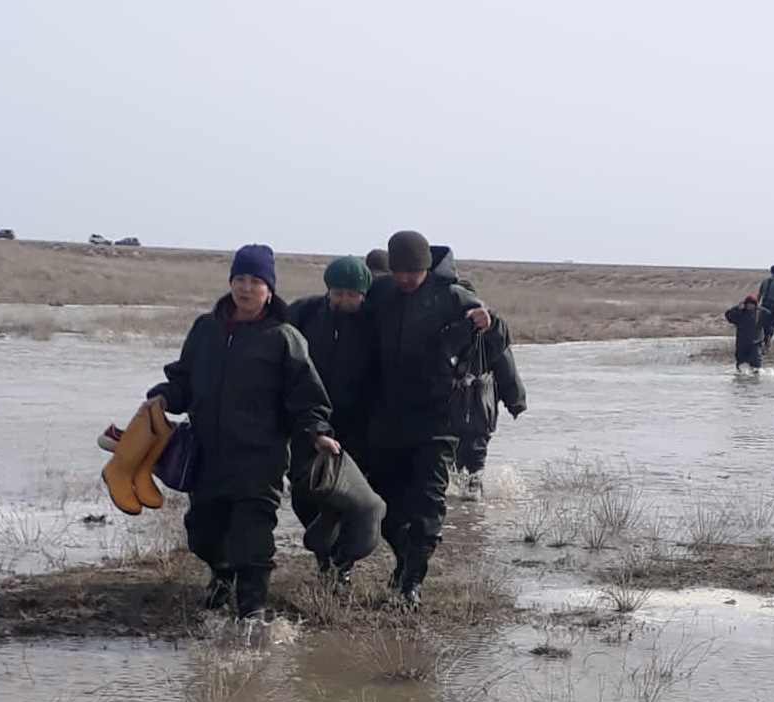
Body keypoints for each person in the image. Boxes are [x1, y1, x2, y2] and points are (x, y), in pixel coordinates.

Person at [144, 244, 339, 620]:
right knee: (202, 533)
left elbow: (307, 397)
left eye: (255, 281)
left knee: (254, 542)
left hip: (259, 459)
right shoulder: (206, 329)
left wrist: (316, 430)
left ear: (269, 288)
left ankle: (252, 615)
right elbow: (183, 380)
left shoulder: (283, 337)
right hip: (208, 456)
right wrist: (163, 398)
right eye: (239, 279)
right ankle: (221, 574)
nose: (246, 288)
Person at [365, 230, 507, 608]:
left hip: (438, 421)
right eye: (400, 271)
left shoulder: (453, 296)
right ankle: (404, 560)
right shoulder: (379, 294)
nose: (407, 278)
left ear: (427, 267)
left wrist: (489, 321)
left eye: (415, 270)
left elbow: (499, 340)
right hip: (387, 419)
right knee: (384, 502)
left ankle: (413, 581)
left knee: (428, 502)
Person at [286, 255, 377, 583]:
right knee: (303, 496)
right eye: (338, 293)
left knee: (348, 498)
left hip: (357, 426)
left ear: (364, 294)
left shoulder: (375, 323)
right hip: (307, 424)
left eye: (352, 294)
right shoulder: (304, 313)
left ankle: (342, 566)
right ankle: (324, 557)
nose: (344, 300)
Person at [450, 308, 527, 501]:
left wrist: (515, 400)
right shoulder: (488, 330)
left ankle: (465, 509)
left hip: (465, 410)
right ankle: (470, 506)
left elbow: (505, 365)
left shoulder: (487, 329)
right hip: (480, 411)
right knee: (472, 462)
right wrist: (516, 400)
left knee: (458, 460)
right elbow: (507, 368)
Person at [725, 295, 766, 371]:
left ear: (756, 305)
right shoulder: (740, 313)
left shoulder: (761, 313)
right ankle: (742, 381)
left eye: (752, 304)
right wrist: (737, 308)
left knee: (757, 366)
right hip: (741, 344)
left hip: (755, 344)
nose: (750, 306)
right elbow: (728, 316)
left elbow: (771, 318)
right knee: (741, 366)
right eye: (749, 304)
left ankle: (755, 380)